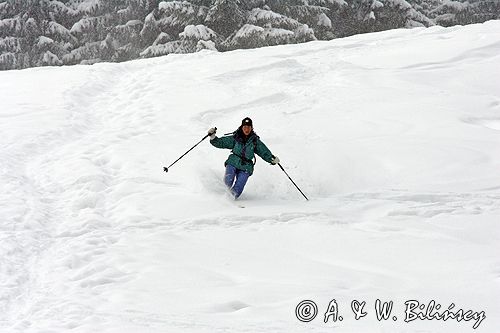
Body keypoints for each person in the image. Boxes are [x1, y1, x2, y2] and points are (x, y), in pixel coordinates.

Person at [208, 117, 279, 199]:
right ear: (241, 127)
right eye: (245, 127)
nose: (246, 129)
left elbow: (263, 151)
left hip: (246, 166)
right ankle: (219, 198)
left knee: (239, 186)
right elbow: (221, 142)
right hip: (233, 162)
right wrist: (213, 137)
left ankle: (229, 199)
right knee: (228, 181)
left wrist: (272, 159)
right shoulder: (235, 138)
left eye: (248, 127)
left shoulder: (255, 141)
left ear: (251, 128)